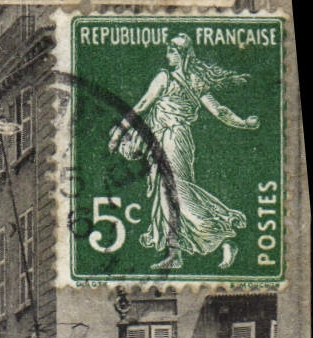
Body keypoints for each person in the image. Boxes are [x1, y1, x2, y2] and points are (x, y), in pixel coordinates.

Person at [108, 34, 258, 272]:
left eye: (170, 51)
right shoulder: (196, 81)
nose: (167, 56)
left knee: (174, 191)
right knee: (168, 195)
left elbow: (143, 104)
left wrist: (118, 134)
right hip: (175, 140)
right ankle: (175, 252)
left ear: (180, 54)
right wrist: (244, 123)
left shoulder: (164, 77)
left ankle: (221, 237)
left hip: (171, 139)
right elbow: (220, 111)